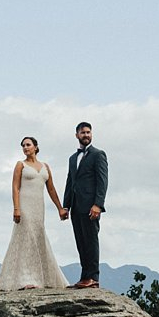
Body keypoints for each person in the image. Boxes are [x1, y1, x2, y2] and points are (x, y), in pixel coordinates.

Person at [0, 136, 69, 290]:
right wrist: (16, 208)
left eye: (28, 145)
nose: (25, 148)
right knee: (26, 237)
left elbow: (51, 189)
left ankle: (45, 278)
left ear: (36, 146)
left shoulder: (45, 166)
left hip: (39, 208)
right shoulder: (20, 165)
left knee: (39, 236)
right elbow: (15, 187)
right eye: (23, 146)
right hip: (25, 206)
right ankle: (25, 279)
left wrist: (60, 208)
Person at [62, 121, 108, 289]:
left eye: (88, 132)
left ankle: (93, 277)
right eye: (83, 133)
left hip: (90, 207)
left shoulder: (98, 154)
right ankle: (84, 277)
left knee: (91, 241)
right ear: (77, 135)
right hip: (75, 206)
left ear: (91, 134)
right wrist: (65, 206)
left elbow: (102, 182)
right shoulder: (72, 158)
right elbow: (70, 182)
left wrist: (98, 205)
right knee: (80, 242)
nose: (86, 135)